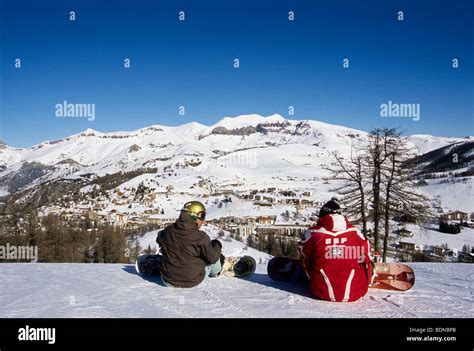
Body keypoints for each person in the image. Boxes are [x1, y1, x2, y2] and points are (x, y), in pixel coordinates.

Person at [298, 199, 373, 302]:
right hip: (356, 292)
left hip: (320, 292)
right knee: (362, 255)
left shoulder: (313, 233)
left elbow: (302, 251)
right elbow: (368, 250)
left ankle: (314, 278)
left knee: (307, 257)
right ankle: (368, 278)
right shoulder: (354, 232)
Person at [155, 201, 224, 288]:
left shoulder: (167, 231)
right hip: (192, 281)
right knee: (215, 257)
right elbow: (212, 258)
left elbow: (159, 239)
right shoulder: (200, 237)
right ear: (194, 216)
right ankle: (217, 271)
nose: (203, 221)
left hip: (167, 280)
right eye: (202, 216)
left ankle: (155, 264)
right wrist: (217, 245)